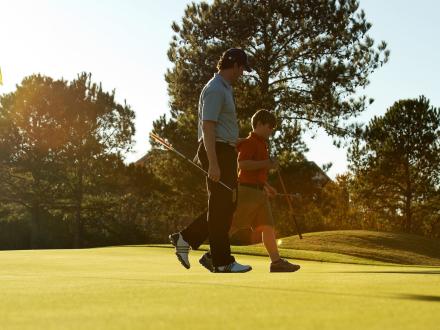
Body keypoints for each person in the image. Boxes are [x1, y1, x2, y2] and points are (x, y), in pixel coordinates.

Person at [169, 48, 253, 273]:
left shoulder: (223, 88)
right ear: (234, 65)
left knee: (227, 205)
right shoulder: (216, 89)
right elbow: (208, 126)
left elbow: (218, 128)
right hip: (217, 152)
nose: (242, 74)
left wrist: (236, 141)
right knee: (220, 207)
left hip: (224, 150)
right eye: (242, 68)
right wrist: (213, 162)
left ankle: (188, 240)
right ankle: (221, 260)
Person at [199, 110, 301, 272]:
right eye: (269, 127)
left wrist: (267, 186)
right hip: (247, 191)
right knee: (234, 225)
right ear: (259, 124)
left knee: (268, 227)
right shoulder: (250, 142)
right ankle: (212, 255)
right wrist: (267, 163)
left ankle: (276, 262)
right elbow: (243, 165)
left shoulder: (262, 143)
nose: (271, 131)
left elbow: (256, 172)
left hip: (259, 192)